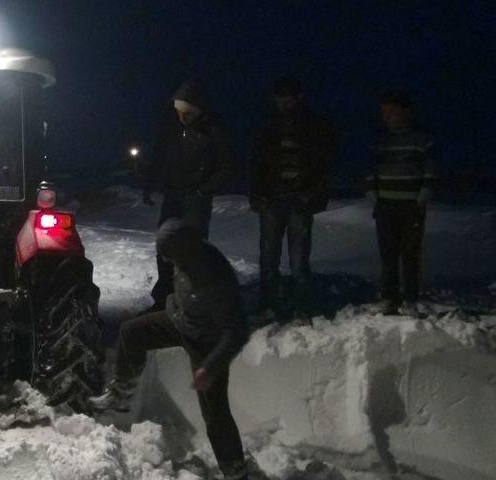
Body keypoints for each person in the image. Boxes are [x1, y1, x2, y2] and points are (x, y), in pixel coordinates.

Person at [90, 218, 251, 480]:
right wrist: (170, 305)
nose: (167, 261)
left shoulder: (214, 276)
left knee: (215, 413)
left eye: (169, 255)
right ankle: (121, 394)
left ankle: (235, 471)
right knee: (132, 332)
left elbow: (237, 331)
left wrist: (210, 368)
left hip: (206, 344)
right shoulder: (184, 257)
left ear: (184, 248)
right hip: (181, 321)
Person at [142, 79, 236, 311]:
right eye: (179, 112)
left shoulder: (214, 130)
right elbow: (159, 157)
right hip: (173, 195)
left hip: (196, 200)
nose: (182, 117)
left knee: (192, 251)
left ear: (199, 110)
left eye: (187, 113)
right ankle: (164, 300)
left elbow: (227, 165)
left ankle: (191, 303)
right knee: (165, 246)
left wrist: (203, 190)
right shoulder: (172, 127)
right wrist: (150, 184)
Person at [250, 76, 337, 321]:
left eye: (287, 99)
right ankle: (269, 304)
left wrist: (311, 195)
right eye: (279, 99)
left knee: (299, 259)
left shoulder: (314, 126)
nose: (283, 104)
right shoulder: (269, 125)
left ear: (299, 98)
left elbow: (323, 165)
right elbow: (257, 163)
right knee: (268, 257)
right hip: (272, 200)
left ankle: (302, 307)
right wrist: (257, 194)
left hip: (300, 200)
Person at [366, 90, 436, 316]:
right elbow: (370, 169)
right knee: (388, 254)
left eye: (392, 112)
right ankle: (389, 298)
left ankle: (410, 300)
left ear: (407, 112)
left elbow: (430, 171)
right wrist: (372, 195)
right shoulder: (380, 140)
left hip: (411, 206)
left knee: (410, 254)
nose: (387, 117)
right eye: (384, 113)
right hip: (385, 204)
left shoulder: (421, 139)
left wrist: (421, 197)